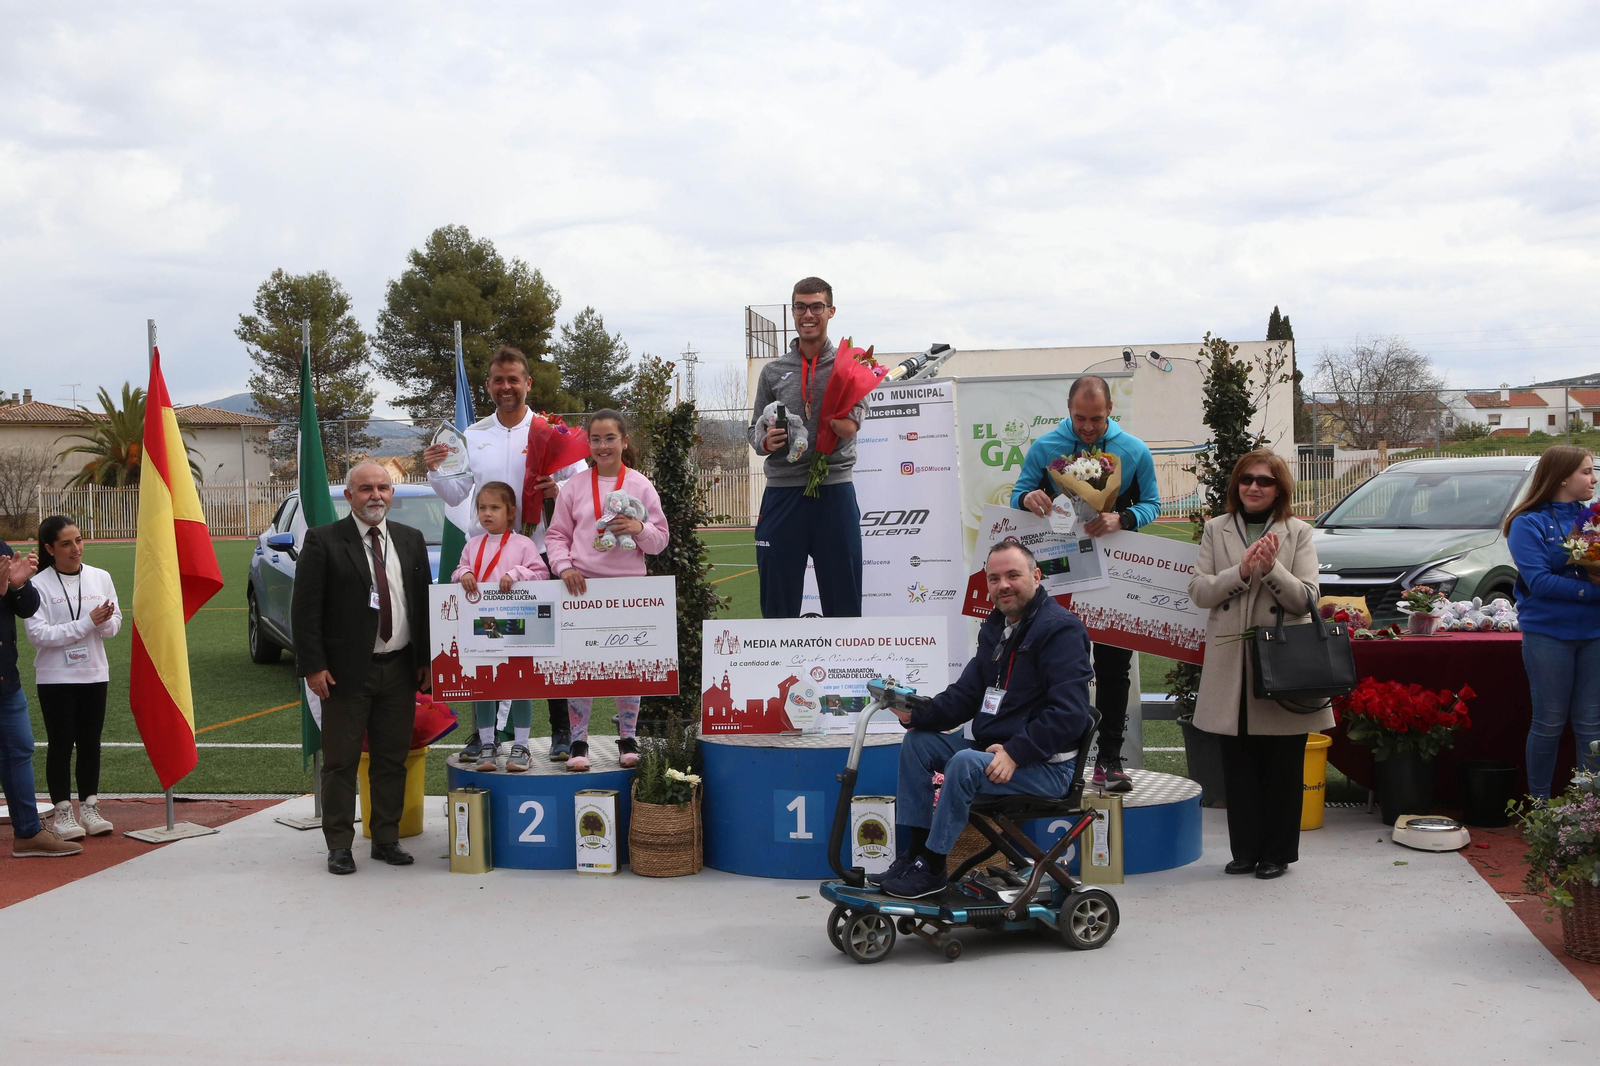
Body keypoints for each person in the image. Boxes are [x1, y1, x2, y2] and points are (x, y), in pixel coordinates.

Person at [876, 541, 1094, 900]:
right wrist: (916, 713)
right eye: (994, 578)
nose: (1003, 585)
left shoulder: (1061, 629)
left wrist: (1014, 752)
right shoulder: (996, 627)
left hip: (1047, 768)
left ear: (1036, 577)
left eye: (1013, 575)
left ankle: (932, 867)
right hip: (995, 753)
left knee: (964, 763)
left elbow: (1069, 715)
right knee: (918, 742)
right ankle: (914, 857)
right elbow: (965, 695)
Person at [422, 345, 584, 761]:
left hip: (541, 555)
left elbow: (579, 487)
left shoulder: (552, 432)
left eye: (514, 379)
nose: (506, 387)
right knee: (487, 649)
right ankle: (485, 735)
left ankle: (561, 732)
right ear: (489, 385)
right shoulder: (473, 436)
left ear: (528, 383)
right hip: (487, 561)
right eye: (498, 380)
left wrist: (559, 490)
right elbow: (458, 493)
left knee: (550, 648)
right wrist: (437, 470)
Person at [1011, 374, 1161, 793]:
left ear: (1110, 410)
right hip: (1058, 572)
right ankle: (1049, 755)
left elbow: (1153, 502)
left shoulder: (1133, 450)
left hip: (1113, 570)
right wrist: (1027, 498)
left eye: (1096, 418)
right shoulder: (1045, 448)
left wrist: (1123, 518)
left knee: (1114, 669)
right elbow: (1018, 493)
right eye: (1080, 418)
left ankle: (1109, 760)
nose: (1088, 427)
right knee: (1052, 665)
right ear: (1068, 408)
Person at [1188, 449, 1329, 880]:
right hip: (1232, 668)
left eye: (1264, 481)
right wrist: (1243, 570)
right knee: (1239, 763)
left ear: (1279, 488)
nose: (1253, 486)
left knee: (1283, 766)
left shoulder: (1298, 532)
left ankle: (1277, 854)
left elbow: (1307, 599)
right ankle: (1245, 850)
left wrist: (1271, 570)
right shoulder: (1215, 529)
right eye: (1246, 479)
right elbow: (1199, 591)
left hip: (1281, 666)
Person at [292, 462, 432, 875]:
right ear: (349, 496)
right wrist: (313, 667)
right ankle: (338, 844)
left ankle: (386, 838)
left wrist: (424, 660)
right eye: (366, 488)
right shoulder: (323, 541)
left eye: (383, 488)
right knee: (341, 762)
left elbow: (422, 606)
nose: (376, 495)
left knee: (392, 759)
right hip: (345, 673)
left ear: (393, 494)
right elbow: (306, 610)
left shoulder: (411, 540)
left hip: (400, 669)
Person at [545, 409, 669, 773]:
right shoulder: (574, 487)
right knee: (581, 667)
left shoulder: (641, 485)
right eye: (596, 439)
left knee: (628, 667)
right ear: (589, 444)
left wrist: (639, 527)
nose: (603, 446)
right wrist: (564, 567)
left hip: (629, 591)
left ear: (624, 442)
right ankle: (578, 738)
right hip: (582, 589)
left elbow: (660, 541)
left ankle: (628, 736)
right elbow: (556, 536)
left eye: (610, 438)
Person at [746, 277, 869, 619]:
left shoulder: (850, 366)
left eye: (816, 306)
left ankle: (845, 672)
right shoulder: (773, 371)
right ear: (793, 312)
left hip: (833, 491)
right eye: (800, 307)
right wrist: (764, 441)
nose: (808, 314)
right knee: (778, 605)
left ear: (830, 310)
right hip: (783, 495)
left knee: (843, 602)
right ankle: (779, 671)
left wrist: (842, 422)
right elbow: (754, 429)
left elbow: (854, 420)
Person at [1504, 445, 1600, 805]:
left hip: (1594, 633)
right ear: (1562, 477)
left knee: (1591, 728)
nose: (1593, 479)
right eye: (1586, 472)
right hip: (1549, 634)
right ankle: (1539, 806)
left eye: (1593, 472)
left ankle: (1586, 809)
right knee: (1549, 724)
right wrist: (1589, 592)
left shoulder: (1593, 516)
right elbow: (1540, 581)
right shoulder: (1526, 523)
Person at [25, 516, 121, 842]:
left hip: (94, 672)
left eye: (78, 540)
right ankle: (63, 812)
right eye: (66, 543)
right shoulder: (38, 584)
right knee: (62, 743)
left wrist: (104, 622)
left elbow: (113, 625)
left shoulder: (100, 577)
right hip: (55, 677)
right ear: (50, 548)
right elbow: (39, 635)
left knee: (90, 742)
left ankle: (90, 807)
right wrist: (87, 622)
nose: (76, 549)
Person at [449, 480, 549, 774]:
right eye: (482, 508)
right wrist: (464, 572)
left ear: (511, 512)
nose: (487, 514)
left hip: (516, 622)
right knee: (484, 686)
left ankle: (521, 745)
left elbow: (540, 574)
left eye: (495, 507)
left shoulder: (523, 544)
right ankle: (487, 742)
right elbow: (459, 572)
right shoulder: (472, 545)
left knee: (518, 684)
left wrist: (516, 572)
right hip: (483, 623)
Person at [3, 538, 80, 857]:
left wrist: (19, 586)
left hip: (6, 680)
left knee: (19, 749)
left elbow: (27, 607)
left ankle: (28, 833)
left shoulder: (2, 550)